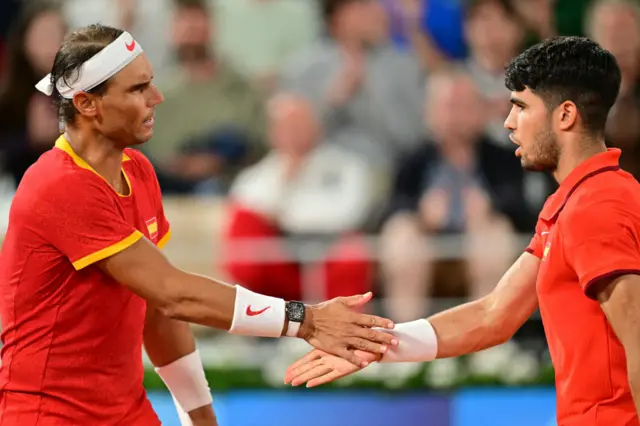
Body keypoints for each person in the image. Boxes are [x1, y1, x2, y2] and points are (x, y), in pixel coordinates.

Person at [0, 24, 398, 426]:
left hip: (125, 412)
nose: (157, 97)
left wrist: (201, 418)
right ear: (87, 104)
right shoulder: (59, 184)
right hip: (46, 416)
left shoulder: (137, 170)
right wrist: (306, 320)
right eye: (138, 89)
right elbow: (174, 294)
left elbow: (160, 310)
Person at [284, 36, 640, 425]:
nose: (508, 122)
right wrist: (370, 346)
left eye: (521, 107)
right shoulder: (571, 202)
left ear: (565, 115)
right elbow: (493, 314)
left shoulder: (598, 206)